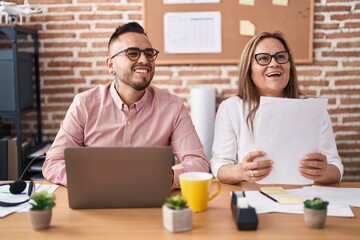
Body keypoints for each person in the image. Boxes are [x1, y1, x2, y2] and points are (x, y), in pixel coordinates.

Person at [43, 22, 210, 188]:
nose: (144, 60)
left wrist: (168, 175)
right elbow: (53, 163)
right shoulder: (85, 104)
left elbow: (198, 163)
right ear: (111, 65)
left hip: (151, 203)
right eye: (132, 53)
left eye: (149, 54)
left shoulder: (173, 107)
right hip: (97, 201)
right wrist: (90, 179)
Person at [210, 32, 343, 185]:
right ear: (249, 67)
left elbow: (336, 167)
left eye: (280, 56)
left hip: (303, 197)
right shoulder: (231, 108)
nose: (274, 63)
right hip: (252, 195)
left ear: (289, 65)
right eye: (263, 58)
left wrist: (324, 171)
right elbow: (219, 165)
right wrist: (241, 171)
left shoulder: (313, 109)